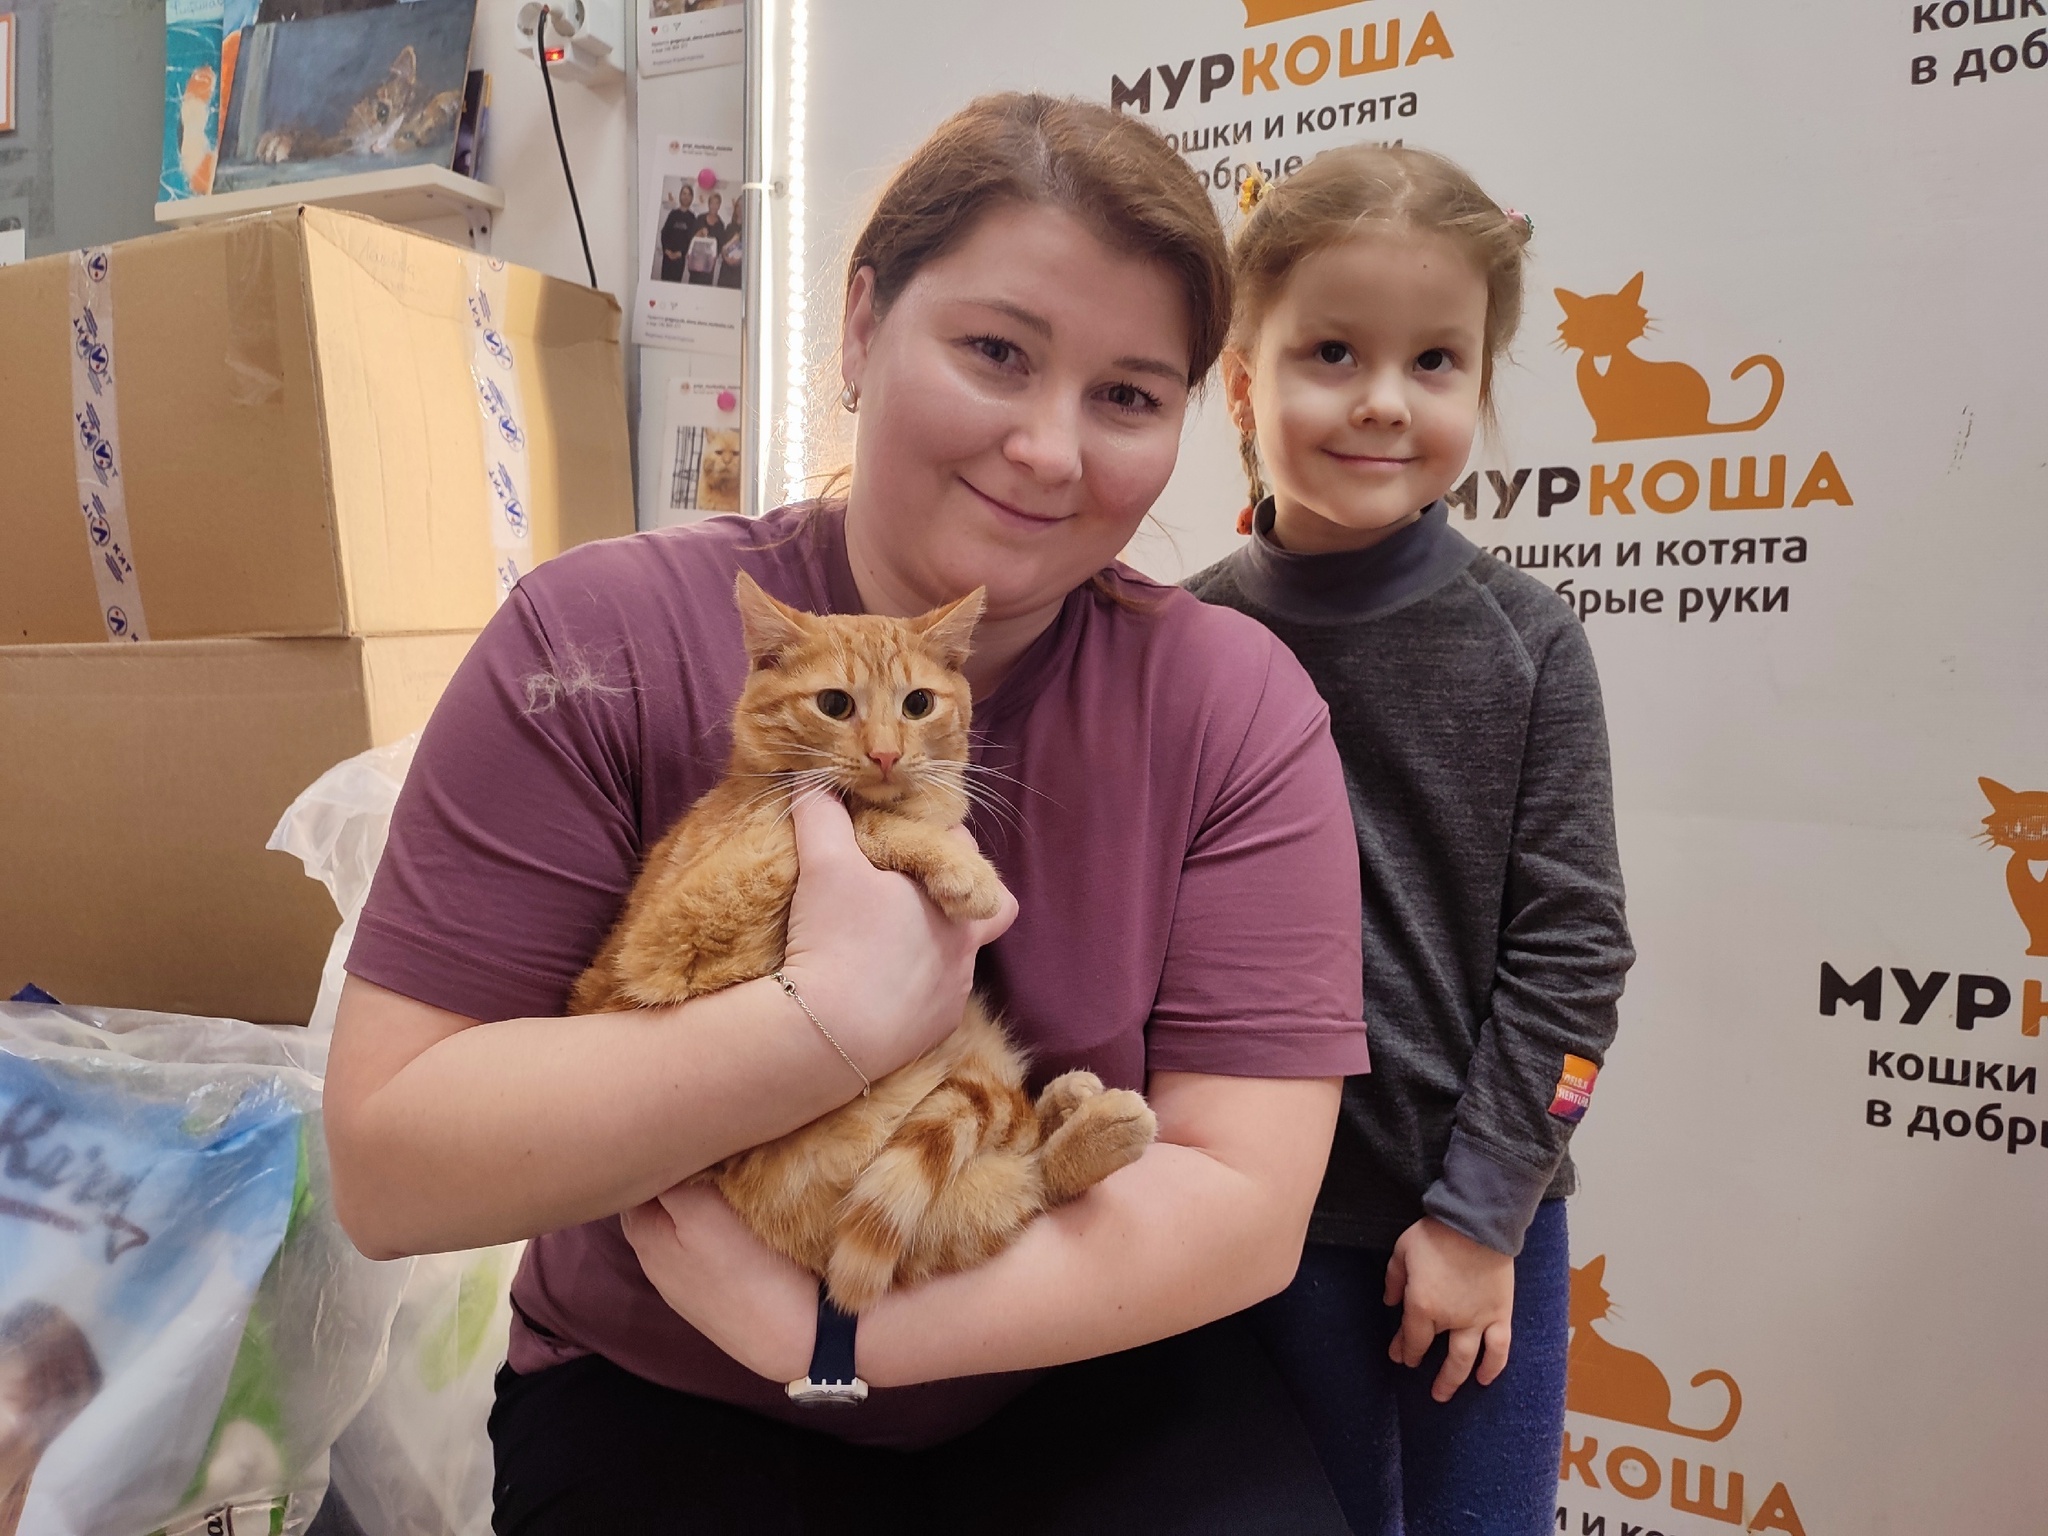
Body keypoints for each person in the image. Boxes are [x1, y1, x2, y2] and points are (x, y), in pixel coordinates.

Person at [324, 93, 1367, 1534]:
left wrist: (828, 1332)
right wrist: (820, 1024)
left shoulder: (1231, 702)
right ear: (862, 327)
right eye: (995, 352)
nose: (1048, 449)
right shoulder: (601, 639)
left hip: (1076, 1353)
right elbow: (390, 1166)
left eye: (1128, 397)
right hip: (670, 1382)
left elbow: (1242, 1206)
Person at [1185, 146, 1634, 1535]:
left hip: (1473, 1235)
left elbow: (1576, 958)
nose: (1383, 399)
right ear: (1243, 385)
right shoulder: (1175, 641)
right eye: (1333, 352)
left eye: (1434, 361)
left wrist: (1481, 1214)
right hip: (1231, 1235)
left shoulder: (1530, 644)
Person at [657, 185, 697, 283]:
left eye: (689, 194)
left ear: (691, 198)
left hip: (679, 259)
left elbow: (691, 240)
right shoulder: (673, 214)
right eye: (684, 193)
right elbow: (664, 233)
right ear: (680, 196)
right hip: (667, 257)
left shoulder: (692, 218)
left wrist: (681, 253)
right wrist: (666, 250)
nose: (686, 196)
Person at [687, 189, 726, 285]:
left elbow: (719, 247)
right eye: (712, 203)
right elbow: (691, 238)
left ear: (719, 206)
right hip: (695, 263)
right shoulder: (700, 218)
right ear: (708, 204)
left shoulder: (720, 225)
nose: (714, 206)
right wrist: (699, 233)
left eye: (716, 203)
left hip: (708, 266)